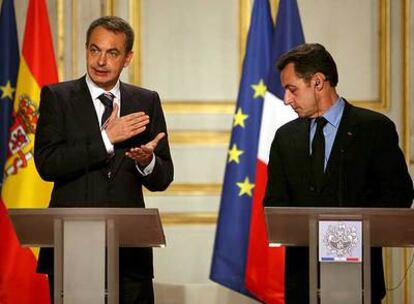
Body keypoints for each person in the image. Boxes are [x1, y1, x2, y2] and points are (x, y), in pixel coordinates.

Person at [34, 16, 173, 304]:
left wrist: (147, 161)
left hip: (130, 252)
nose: (100, 61)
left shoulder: (146, 101)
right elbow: (47, 164)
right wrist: (107, 140)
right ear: (86, 50)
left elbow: (163, 177)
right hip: (72, 248)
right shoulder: (57, 97)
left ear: (127, 58)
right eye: (94, 50)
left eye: (112, 53)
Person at [264, 43, 413, 303]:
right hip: (303, 283)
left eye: (292, 89)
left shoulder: (374, 129)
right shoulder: (285, 137)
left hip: (359, 279)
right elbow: (275, 204)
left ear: (318, 82)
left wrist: (345, 229)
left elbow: (398, 195)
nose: (287, 99)